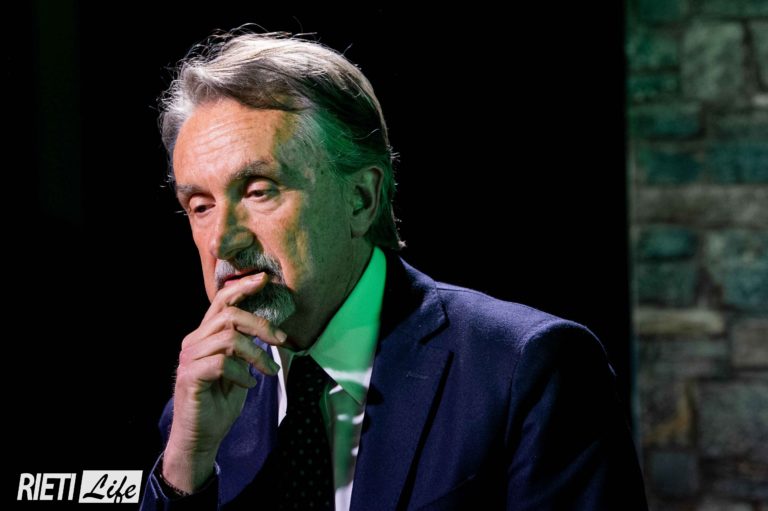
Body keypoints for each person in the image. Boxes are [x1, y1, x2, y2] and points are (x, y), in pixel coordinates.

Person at [139, 29, 647, 511]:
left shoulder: (528, 368)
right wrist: (183, 468)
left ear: (362, 199)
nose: (222, 240)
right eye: (200, 206)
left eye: (258, 191)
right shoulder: (201, 403)